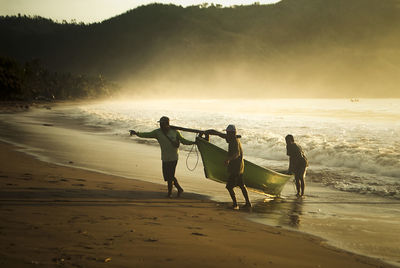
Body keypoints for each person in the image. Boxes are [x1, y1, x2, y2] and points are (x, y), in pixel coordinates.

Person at [129, 116, 195, 198]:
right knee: (167, 176)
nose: (160, 125)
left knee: (170, 176)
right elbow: (147, 134)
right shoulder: (157, 132)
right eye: (160, 123)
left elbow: (184, 141)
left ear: (167, 124)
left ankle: (169, 193)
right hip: (165, 157)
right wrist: (137, 133)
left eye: (162, 124)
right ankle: (179, 189)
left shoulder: (175, 132)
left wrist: (194, 142)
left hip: (174, 157)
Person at [209, 124, 251, 210]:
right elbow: (222, 135)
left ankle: (235, 204)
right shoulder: (233, 138)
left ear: (232, 133)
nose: (227, 134)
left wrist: (228, 159)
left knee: (229, 187)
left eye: (228, 133)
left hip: (236, 168)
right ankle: (248, 203)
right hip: (240, 167)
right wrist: (211, 131)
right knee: (242, 185)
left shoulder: (234, 141)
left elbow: (237, 154)